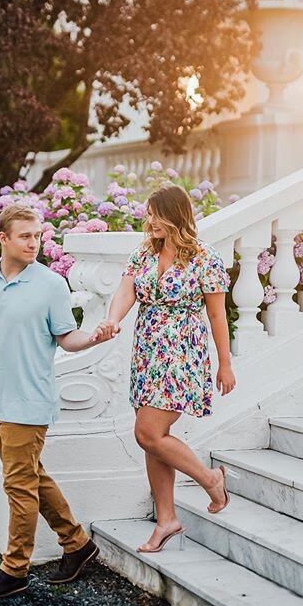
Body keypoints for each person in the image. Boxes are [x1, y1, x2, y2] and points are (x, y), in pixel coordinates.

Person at [0, 203, 114, 599]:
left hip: (30, 401)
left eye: (38, 235)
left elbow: (66, 338)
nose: (34, 243)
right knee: (31, 477)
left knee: (18, 486)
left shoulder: (51, 285)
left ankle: (14, 570)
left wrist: (94, 336)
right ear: (2, 239)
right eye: (25, 236)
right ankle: (77, 544)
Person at [105, 184, 236, 553]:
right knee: (153, 442)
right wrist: (113, 320)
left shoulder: (203, 258)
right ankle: (167, 519)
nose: (148, 221)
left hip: (182, 354)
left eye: (154, 214)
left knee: (148, 433)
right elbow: (125, 292)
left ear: (174, 215)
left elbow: (216, 314)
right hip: (146, 353)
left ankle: (211, 479)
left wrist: (225, 363)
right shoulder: (144, 253)